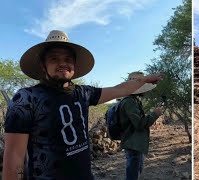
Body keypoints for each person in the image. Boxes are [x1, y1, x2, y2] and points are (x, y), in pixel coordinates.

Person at [2, 30, 162, 180]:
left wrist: (145, 79)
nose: (62, 63)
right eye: (54, 59)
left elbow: (119, 89)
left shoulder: (84, 93)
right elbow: (15, 158)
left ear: (75, 65)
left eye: (68, 59)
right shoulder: (26, 99)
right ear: (43, 65)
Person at [118, 71, 162, 180]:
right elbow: (139, 124)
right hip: (133, 145)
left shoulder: (133, 100)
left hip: (134, 144)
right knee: (133, 176)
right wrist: (154, 114)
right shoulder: (130, 102)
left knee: (135, 173)